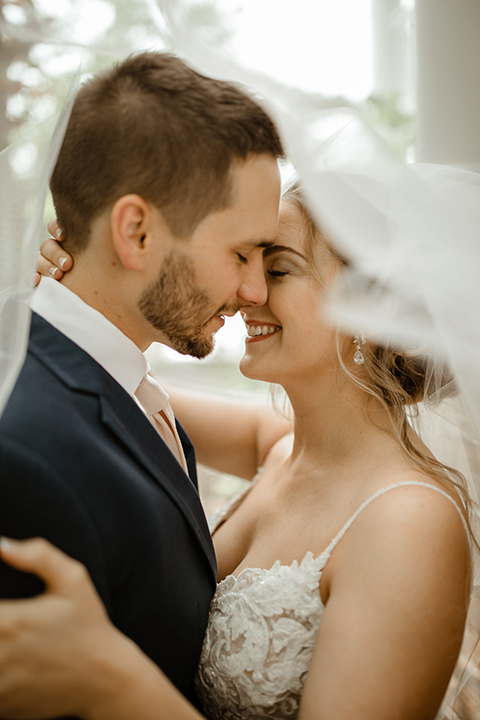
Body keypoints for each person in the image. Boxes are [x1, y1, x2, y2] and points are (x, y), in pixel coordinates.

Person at [0, 182, 474, 720]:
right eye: (243, 260)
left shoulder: (407, 522)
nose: (246, 290)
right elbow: (111, 383)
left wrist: (109, 679)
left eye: (279, 269)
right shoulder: (281, 448)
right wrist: (79, 295)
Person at [0, 49, 286, 719]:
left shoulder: (118, 377)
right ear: (136, 232)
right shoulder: (25, 449)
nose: (252, 291)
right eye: (241, 252)